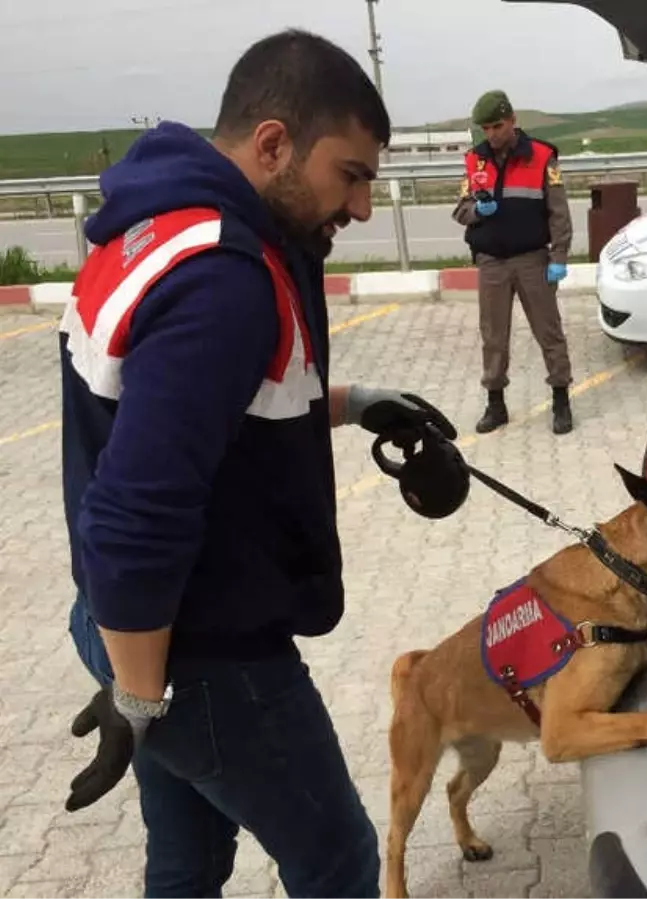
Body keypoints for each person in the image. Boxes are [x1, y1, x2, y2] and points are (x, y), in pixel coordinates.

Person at [58, 30, 458, 898]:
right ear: (274, 142)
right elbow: (136, 517)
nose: (359, 207)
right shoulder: (222, 278)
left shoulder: (156, 222)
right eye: (349, 175)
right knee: (340, 862)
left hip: (133, 630)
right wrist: (141, 699)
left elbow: (195, 406)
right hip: (200, 657)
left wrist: (352, 403)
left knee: (190, 863)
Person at [452, 90, 576, 436]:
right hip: (492, 261)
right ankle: (496, 403)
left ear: (513, 121)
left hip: (532, 260)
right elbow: (460, 209)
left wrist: (559, 256)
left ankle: (561, 398)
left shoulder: (542, 156)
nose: (491, 134)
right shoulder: (474, 161)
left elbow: (559, 213)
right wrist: (478, 211)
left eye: (497, 125)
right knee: (493, 336)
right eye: (485, 127)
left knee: (549, 332)